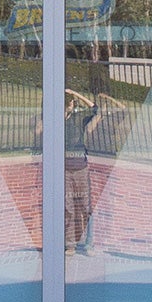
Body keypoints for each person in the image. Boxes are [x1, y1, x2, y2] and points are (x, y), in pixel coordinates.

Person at [64, 88, 111, 255]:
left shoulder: (78, 119)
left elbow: (96, 109)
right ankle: (70, 244)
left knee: (86, 207)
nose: (72, 105)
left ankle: (89, 243)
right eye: (70, 102)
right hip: (64, 171)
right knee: (67, 208)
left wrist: (74, 93)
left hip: (81, 168)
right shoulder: (55, 120)